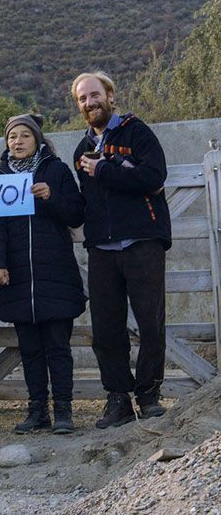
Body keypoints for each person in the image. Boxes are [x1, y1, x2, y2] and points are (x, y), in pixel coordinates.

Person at [71, 72, 172, 428]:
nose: (89, 103)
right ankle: (118, 400)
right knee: (107, 329)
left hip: (142, 241)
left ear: (110, 96)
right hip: (101, 247)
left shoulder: (137, 132)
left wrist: (105, 170)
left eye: (95, 95)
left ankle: (149, 396)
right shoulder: (80, 151)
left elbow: (154, 178)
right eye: (83, 99)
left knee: (150, 323)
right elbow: (85, 201)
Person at [0, 114, 86, 434]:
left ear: (38, 140)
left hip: (54, 274)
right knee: (29, 349)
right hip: (17, 278)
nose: (17, 141)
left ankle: (65, 412)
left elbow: (75, 214)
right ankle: (37, 411)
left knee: (58, 347)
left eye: (24, 135)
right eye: (12, 136)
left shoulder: (56, 171)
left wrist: (50, 197)